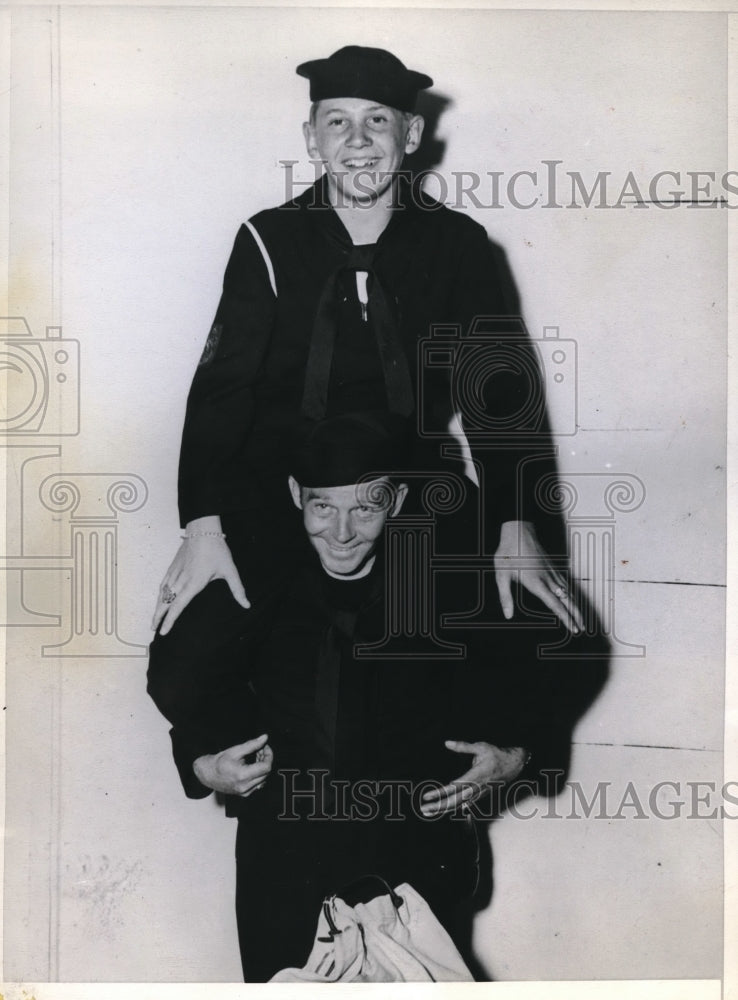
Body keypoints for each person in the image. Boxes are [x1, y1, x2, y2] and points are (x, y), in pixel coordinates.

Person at [148, 44, 584, 687]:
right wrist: (204, 524)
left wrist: (516, 524)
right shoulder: (267, 239)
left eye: (377, 120)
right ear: (311, 137)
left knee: (531, 628)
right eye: (337, 121)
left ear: (411, 134)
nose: (357, 140)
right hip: (289, 491)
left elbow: (500, 393)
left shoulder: (456, 243)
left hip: (414, 483)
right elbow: (222, 389)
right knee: (200, 631)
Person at [148, 411, 557, 982]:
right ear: (296, 494)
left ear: (397, 498)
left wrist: (517, 756)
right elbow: (181, 679)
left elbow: (542, 667)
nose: (341, 533)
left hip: (417, 855)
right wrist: (204, 762)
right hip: (287, 859)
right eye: (323, 507)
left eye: (365, 508)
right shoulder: (254, 579)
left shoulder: (447, 577)